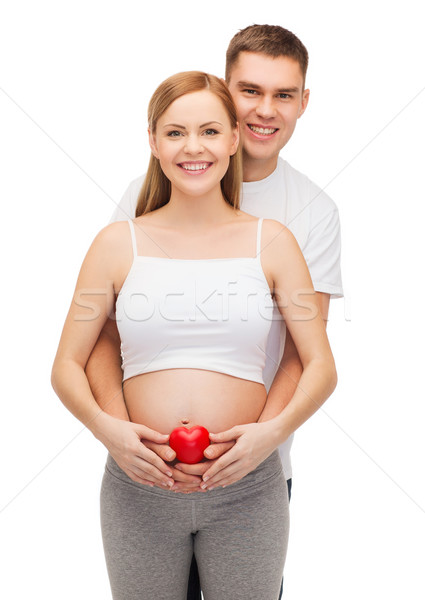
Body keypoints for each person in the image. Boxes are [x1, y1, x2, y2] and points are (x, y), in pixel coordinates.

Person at [51, 70, 337, 600]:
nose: (193, 147)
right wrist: (107, 430)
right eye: (175, 132)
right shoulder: (117, 244)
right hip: (139, 487)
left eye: (208, 130)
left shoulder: (272, 242)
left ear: (233, 138)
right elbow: (68, 363)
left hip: (247, 488)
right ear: (155, 144)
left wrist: (268, 438)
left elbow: (319, 364)